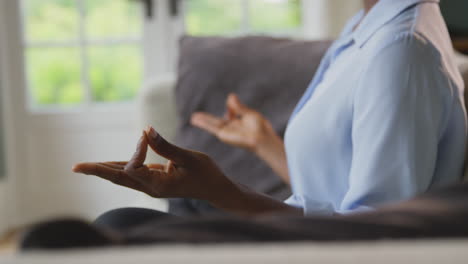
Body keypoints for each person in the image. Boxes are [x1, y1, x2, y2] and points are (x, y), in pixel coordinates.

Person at [73, 0, 466, 219]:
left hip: (318, 248)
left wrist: (225, 191)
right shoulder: (368, 24)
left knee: (121, 224)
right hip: (308, 233)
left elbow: (372, 236)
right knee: (185, 204)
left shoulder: (400, 53)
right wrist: (265, 145)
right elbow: (332, 186)